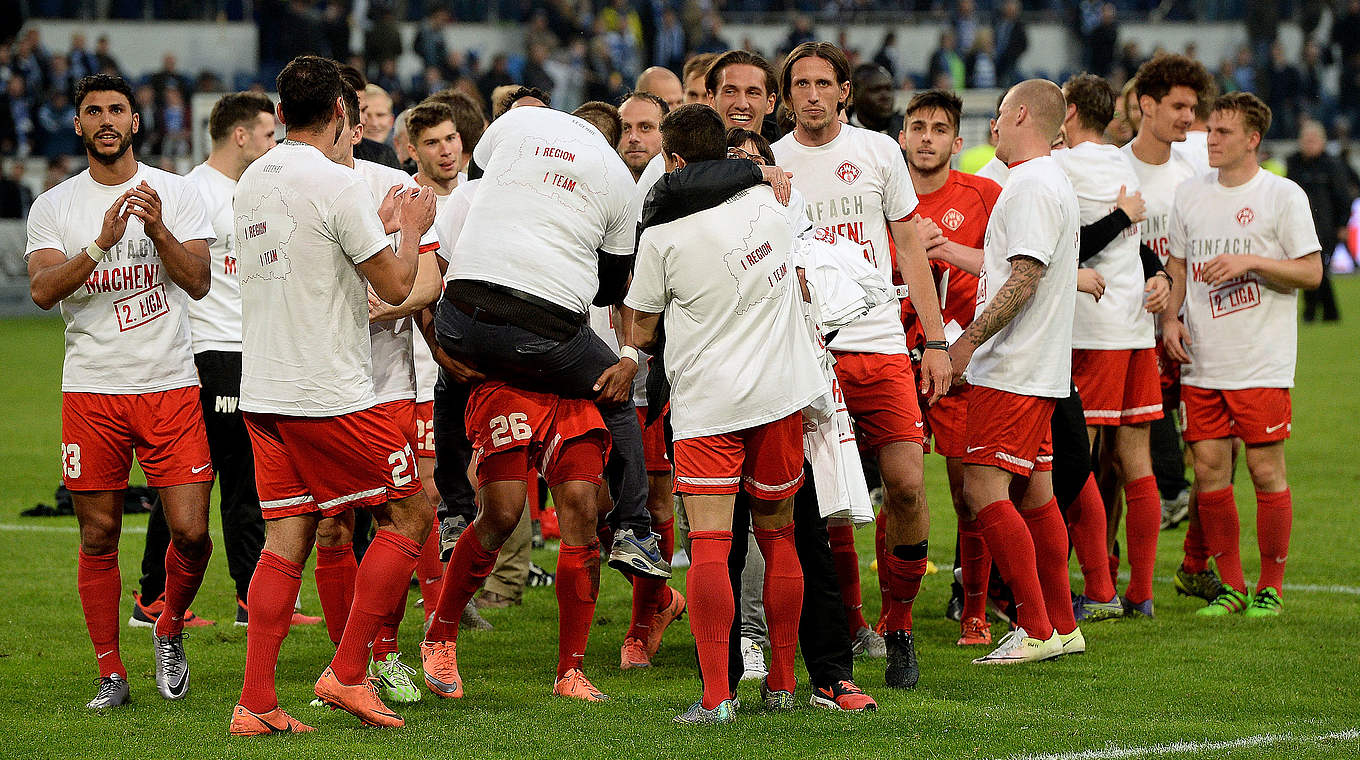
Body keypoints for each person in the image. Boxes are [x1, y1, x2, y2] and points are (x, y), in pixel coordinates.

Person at [227, 55, 436, 735]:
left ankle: (256, 702)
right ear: (344, 113)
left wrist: (371, 222)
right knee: (411, 512)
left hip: (262, 386)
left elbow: (313, 253)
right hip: (327, 390)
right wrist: (407, 224)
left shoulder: (253, 178)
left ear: (281, 113)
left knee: (285, 536)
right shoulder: (339, 183)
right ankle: (347, 673)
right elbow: (399, 285)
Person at [625, 103, 825, 725]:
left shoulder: (660, 236)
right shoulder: (772, 207)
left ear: (675, 162)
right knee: (779, 535)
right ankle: (785, 684)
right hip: (779, 396)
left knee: (711, 548)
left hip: (708, 403)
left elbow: (641, 321)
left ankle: (716, 697)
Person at [25, 72, 215, 710]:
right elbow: (43, 290)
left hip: (169, 386)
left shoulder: (176, 192)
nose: (106, 120)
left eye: (117, 110)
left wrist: (156, 232)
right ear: (78, 126)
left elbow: (199, 283)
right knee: (98, 534)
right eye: (92, 111)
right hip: (93, 390)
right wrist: (101, 244)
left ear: (136, 122)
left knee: (190, 533)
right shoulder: (54, 206)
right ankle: (112, 673)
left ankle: (167, 625)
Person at [772, 41, 950, 690]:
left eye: (824, 83)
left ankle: (898, 622)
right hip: (805, 351)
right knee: (821, 503)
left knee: (905, 483)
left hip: (878, 344)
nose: (813, 94)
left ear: (845, 91)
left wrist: (933, 340)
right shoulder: (769, 162)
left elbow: (908, 246)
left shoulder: (878, 152)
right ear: (785, 95)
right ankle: (849, 623)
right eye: (801, 84)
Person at [130, 92, 324, 631]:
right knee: (212, 479)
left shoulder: (252, 191)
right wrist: (187, 356)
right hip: (213, 353)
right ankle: (168, 599)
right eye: (266, 135)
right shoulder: (195, 193)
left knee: (240, 479)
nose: (273, 145)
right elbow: (175, 279)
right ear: (239, 135)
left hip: (254, 351)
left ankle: (230, 598)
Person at [1162, 92, 1322, 618]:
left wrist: (1248, 262)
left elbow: (1312, 272)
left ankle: (1270, 588)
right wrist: (1170, 320)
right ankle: (1231, 587)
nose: (1211, 139)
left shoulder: (1283, 196)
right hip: (1203, 359)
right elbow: (1178, 270)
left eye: (1224, 133)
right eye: (1210, 131)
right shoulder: (1189, 195)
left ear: (1252, 139)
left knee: (1264, 470)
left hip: (1261, 359)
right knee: (1209, 470)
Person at [945, 79, 1084, 665]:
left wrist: (967, 344)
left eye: (999, 114)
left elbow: (1022, 279)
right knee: (1037, 494)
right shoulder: (1051, 181)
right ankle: (1064, 624)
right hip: (1042, 367)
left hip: (1012, 368)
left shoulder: (1028, 185)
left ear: (1021, 113)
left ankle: (1035, 628)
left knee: (983, 488)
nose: (993, 126)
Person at [1056, 74, 1170, 620]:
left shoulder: (1064, 168)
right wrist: (1162, 272)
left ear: (1070, 111)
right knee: (1135, 458)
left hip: (1093, 330)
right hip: (1133, 329)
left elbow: (1067, 246)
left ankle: (1099, 590)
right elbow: (1135, 245)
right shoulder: (1121, 165)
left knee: (1076, 460)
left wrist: (1122, 218)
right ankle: (1140, 592)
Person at [896, 89, 1001, 647]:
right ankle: (893, 616)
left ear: (958, 142)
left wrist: (949, 252)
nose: (928, 137)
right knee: (899, 487)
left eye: (940, 128)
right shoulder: (881, 195)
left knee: (968, 490)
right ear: (902, 137)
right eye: (918, 127)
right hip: (895, 361)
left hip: (964, 363)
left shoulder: (985, 195)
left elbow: (1016, 266)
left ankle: (976, 610)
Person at [1120, 54, 1222, 601]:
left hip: (1185, 332)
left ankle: (1195, 562)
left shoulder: (1196, 171)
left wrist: (1175, 313)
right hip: (1125, 333)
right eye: (1179, 106)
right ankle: (1109, 566)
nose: (1189, 117)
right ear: (1147, 105)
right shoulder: (1112, 169)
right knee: (1113, 460)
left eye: (1193, 107)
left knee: (1210, 451)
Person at [607, 90, 688, 671]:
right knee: (598, 497)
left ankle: (645, 619)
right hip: (596, 356)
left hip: (655, 365)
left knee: (653, 493)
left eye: (646, 127)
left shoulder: (681, 193)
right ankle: (659, 600)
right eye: (626, 128)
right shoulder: (599, 186)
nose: (635, 137)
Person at [1287, 119, 1350, 323]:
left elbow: (1342, 197)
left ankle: (1317, 312)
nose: (1309, 143)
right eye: (1306, 139)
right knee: (1310, 269)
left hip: (1326, 227)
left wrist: (1342, 224)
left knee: (1320, 269)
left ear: (1322, 142)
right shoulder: (1293, 163)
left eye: (1313, 140)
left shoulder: (1332, 165)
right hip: (1300, 226)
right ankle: (1324, 313)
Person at [848, 64, 902, 137]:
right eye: (876, 90)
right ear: (853, 94)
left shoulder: (906, 129)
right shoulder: (842, 135)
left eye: (889, 89)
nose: (886, 96)